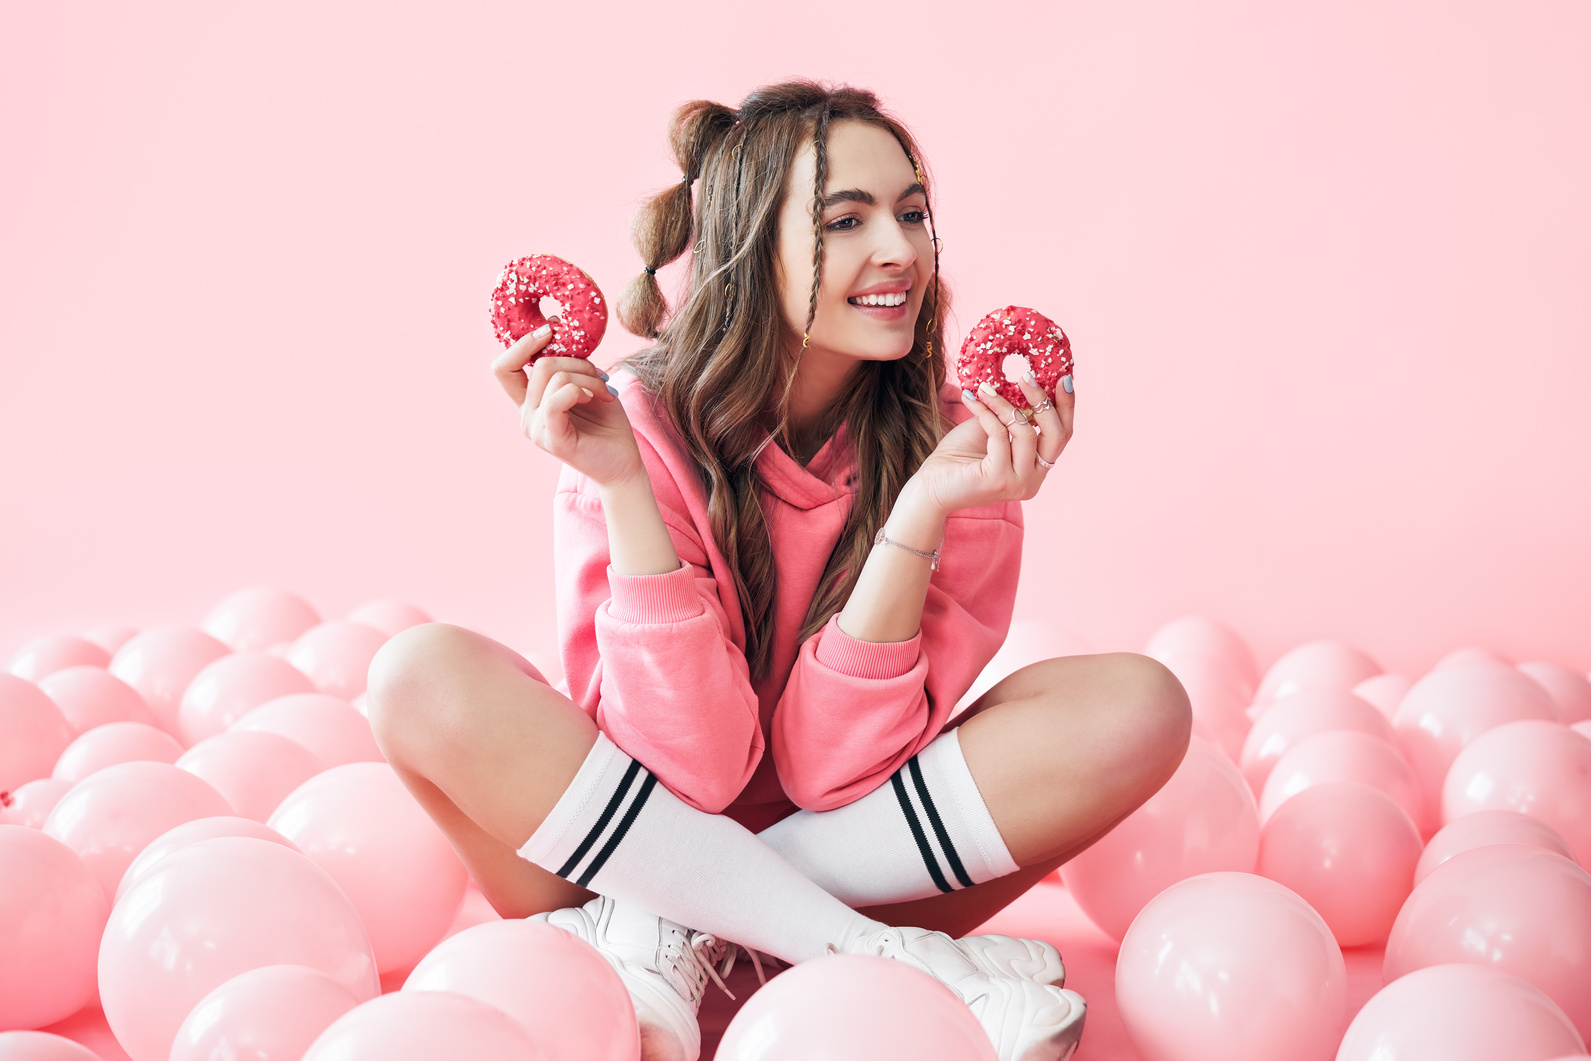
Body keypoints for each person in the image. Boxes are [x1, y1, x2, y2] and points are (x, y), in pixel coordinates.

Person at [367, 80, 1191, 1061]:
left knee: (1141, 704)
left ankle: (679, 927)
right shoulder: (625, 427)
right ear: (747, 250)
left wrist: (923, 509)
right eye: (846, 220)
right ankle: (889, 959)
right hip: (610, 846)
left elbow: (831, 769)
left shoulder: (963, 452)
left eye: (912, 210)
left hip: (864, 850)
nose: (900, 249)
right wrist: (627, 486)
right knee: (417, 674)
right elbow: (694, 766)